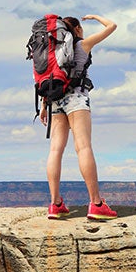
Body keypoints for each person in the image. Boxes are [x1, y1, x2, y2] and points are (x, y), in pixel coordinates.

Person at [40, 14, 118, 220]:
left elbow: (49, 78)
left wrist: (43, 105)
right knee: (83, 147)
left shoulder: (52, 52)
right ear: (76, 29)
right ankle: (96, 203)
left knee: (55, 150)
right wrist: (94, 17)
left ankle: (55, 204)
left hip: (54, 100)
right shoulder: (82, 45)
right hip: (76, 99)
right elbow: (113, 26)